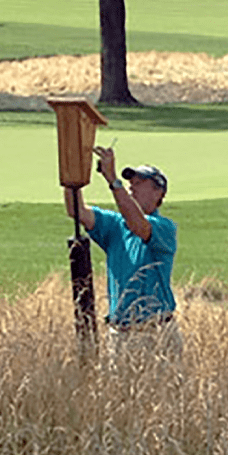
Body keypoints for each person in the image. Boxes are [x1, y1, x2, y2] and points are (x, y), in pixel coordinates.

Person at [64, 146, 182, 360]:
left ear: (158, 192)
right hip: (120, 335)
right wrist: (73, 174)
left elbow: (139, 225)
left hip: (156, 334)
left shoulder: (164, 227)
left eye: (139, 183)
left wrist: (112, 181)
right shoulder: (115, 225)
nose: (131, 188)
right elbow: (76, 210)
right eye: (130, 184)